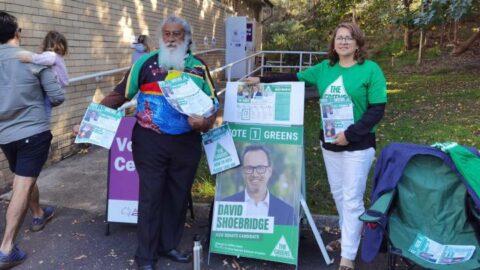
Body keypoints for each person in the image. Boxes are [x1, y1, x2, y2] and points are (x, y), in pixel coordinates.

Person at [245, 22, 387, 270]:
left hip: (359, 145)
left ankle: (348, 257)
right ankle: (348, 236)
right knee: (340, 195)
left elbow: (377, 110)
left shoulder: (370, 70)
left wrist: (351, 134)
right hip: (330, 144)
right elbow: (293, 78)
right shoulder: (324, 69)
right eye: (339, 38)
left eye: (348, 38)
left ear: (357, 43)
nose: (343, 42)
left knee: (352, 199)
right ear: (334, 43)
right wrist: (262, 79)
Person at [98, 16, 218, 270]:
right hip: (149, 141)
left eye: (177, 34)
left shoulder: (199, 67)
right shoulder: (145, 63)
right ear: (161, 37)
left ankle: (168, 245)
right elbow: (120, 94)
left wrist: (205, 123)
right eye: (167, 34)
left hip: (186, 142)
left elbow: (213, 104)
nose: (172, 39)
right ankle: (145, 257)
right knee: (151, 196)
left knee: (178, 196)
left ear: (186, 37)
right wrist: (92, 118)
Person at [0, 11, 64, 269]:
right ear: (18, 33)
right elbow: (57, 97)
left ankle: (38, 213)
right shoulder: (34, 61)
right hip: (33, 132)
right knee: (23, 184)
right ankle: (6, 248)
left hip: (5, 135)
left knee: (23, 177)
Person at [223, 145, 295, 226]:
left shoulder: (287, 213)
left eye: (260, 168)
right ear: (243, 172)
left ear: (269, 171)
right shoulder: (224, 205)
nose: (255, 174)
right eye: (249, 168)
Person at [17, 30, 69, 118]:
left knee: (46, 109)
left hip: (55, 89)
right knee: (45, 106)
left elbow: (45, 59)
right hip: (60, 89)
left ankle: (44, 124)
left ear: (47, 43)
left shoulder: (52, 55)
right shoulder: (58, 56)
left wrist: (30, 58)